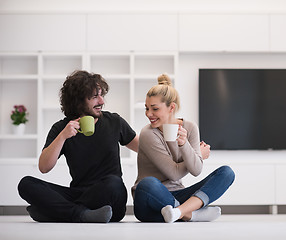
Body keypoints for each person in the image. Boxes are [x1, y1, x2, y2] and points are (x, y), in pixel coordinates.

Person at [18, 70, 139, 223]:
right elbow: (44, 167)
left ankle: (58, 211)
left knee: (114, 184)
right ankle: (81, 214)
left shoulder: (114, 121)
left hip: (109, 196)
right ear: (79, 101)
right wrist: (62, 136)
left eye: (101, 95)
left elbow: (143, 148)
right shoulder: (62, 128)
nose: (101, 101)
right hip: (78, 193)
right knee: (26, 184)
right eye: (95, 97)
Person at [132, 74, 235, 223]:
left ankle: (177, 212)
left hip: (178, 194)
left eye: (154, 109)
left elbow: (196, 170)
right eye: (146, 108)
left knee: (226, 173)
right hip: (149, 201)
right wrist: (197, 153)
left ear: (171, 107)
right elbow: (174, 173)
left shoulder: (190, 128)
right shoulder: (148, 133)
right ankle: (190, 214)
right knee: (148, 183)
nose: (148, 114)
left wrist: (184, 144)